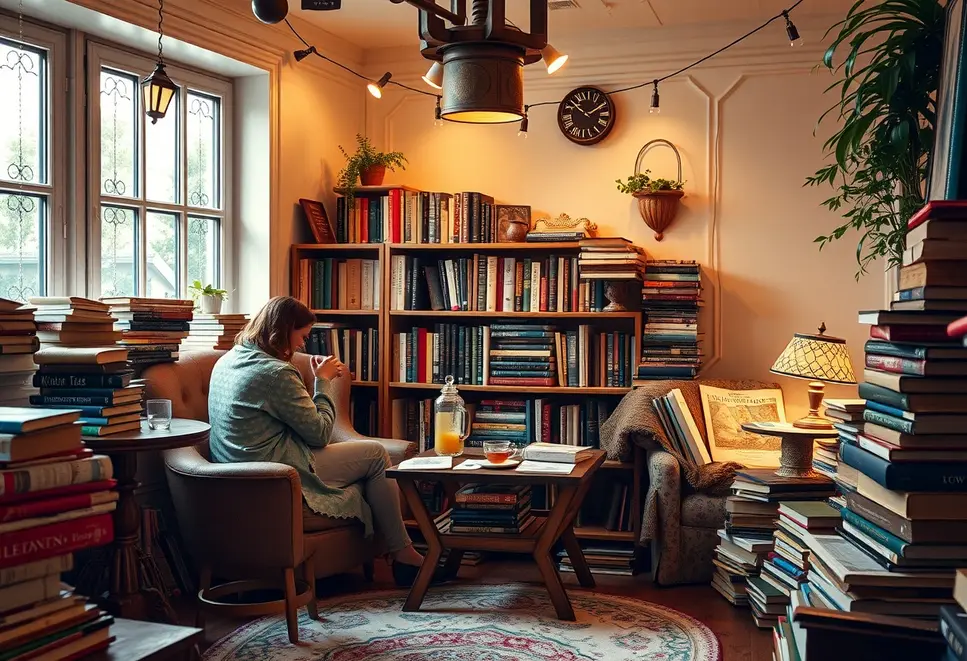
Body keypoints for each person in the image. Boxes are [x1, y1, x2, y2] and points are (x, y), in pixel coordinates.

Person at [207, 295, 433, 587]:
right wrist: (322, 381)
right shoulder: (276, 373)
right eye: (302, 336)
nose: (303, 345)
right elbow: (321, 433)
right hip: (277, 474)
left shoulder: (230, 359)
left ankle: (403, 554)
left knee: (370, 465)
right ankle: (404, 555)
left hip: (234, 474)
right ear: (281, 332)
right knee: (376, 455)